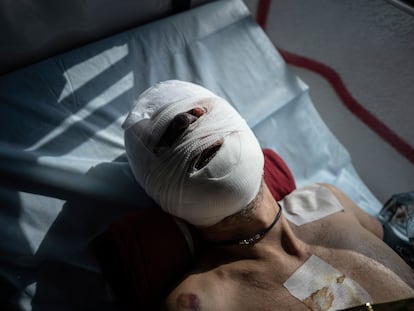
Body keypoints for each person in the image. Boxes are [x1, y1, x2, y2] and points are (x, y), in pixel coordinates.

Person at [123, 80, 414, 311]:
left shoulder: (327, 198)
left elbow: (384, 234)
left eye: (193, 113)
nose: (187, 125)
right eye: (167, 138)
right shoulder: (200, 301)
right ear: (162, 199)